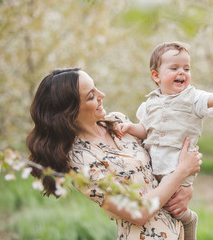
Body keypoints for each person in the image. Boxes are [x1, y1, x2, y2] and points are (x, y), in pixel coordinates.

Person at [26, 67, 203, 240]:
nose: (101, 95)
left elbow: (162, 155)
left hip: (179, 230)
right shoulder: (80, 160)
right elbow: (138, 212)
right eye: (91, 96)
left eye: (96, 88)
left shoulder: (118, 122)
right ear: (70, 112)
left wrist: (187, 186)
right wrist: (182, 172)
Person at [117, 41, 213, 238]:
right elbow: (146, 130)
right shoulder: (150, 103)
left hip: (177, 165)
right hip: (155, 165)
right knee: (160, 209)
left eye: (186, 68)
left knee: (175, 208)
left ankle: (190, 222)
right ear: (156, 75)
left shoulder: (193, 97)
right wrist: (130, 127)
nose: (182, 72)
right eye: (174, 68)